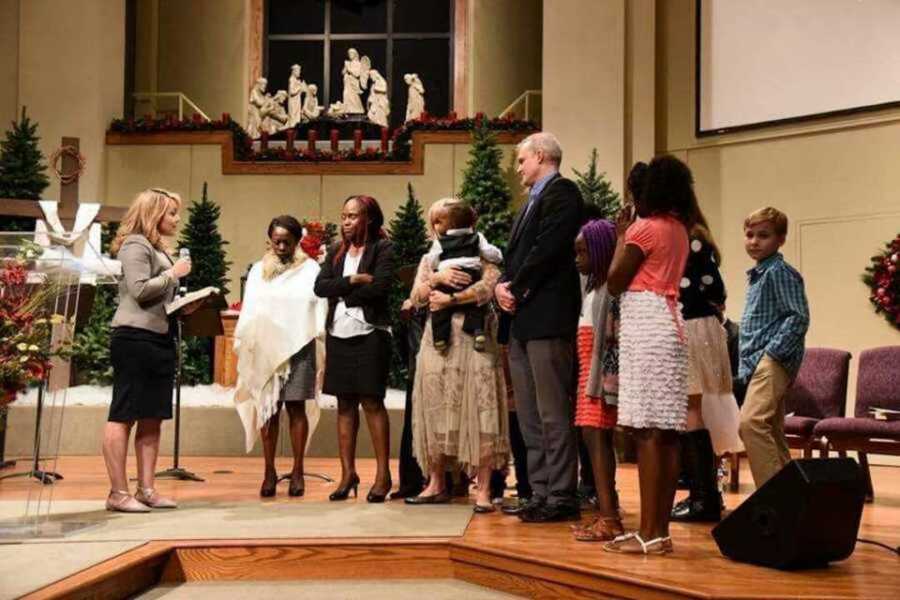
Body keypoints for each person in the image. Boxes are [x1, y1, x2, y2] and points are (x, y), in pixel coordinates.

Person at [603, 157, 693, 555]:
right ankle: (659, 531)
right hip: (669, 323)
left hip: (647, 327)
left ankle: (650, 533)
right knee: (666, 434)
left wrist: (622, 235)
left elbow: (615, 281)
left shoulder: (644, 228)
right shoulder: (679, 229)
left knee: (648, 433)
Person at [496, 132, 584, 523]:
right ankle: (540, 490)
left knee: (552, 412)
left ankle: (562, 494)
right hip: (522, 318)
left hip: (547, 316)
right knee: (529, 413)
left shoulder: (562, 193)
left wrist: (514, 286)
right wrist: (501, 285)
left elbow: (547, 249)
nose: (518, 169)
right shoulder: (530, 201)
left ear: (542, 156)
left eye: (521, 161)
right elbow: (517, 256)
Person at [406, 198, 509, 512]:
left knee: (480, 407)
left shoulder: (481, 251)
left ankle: (483, 489)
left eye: (438, 221)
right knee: (436, 407)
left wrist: (454, 299)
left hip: (473, 339)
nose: (435, 228)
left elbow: (488, 287)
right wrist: (436, 279)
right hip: (438, 342)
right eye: (433, 222)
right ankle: (436, 483)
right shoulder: (431, 258)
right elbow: (416, 297)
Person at [103, 188, 191, 513]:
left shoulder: (156, 248)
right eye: (171, 213)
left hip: (159, 337)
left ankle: (146, 489)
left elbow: (159, 297)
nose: (177, 218)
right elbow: (140, 290)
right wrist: (173, 274)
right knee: (124, 412)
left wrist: (184, 306)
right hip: (134, 338)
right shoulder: (135, 244)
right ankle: (117, 492)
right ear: (153, 215)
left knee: (152, 415)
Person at [233, 216, 327, 498]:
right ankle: (269, 471)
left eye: (288, 241)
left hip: (298, 346)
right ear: (269, 241)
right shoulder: (259, 270)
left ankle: (298, 471)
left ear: (298, 241)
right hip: (265, 346)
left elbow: (318, 304)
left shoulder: (310, 269)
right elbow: (250, 306)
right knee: (268, 410)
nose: (282, 246)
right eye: (277, 242)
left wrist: (315, 332)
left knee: (296, 408)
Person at [314, 195, 394, 502]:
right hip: (339, 333)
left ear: (369, 219)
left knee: (372, 402)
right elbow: (320, 287)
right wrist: (353, 280)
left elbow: (381, 288)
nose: (346, 222)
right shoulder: (336, 251)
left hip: (370, 333)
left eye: (353, 216)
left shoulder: (383, 248)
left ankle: (383, 475)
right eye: (344, 216)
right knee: (344, 404)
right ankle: (347, 474)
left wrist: (344, 291)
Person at [671, 210, 744, 522]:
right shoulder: (695, 235)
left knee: (693, 410)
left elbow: (714, 290)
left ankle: (704, 499)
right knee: (695, 410)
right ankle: (705, 495)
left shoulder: (691, 238)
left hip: (692, 326)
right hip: (698, 324)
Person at [738, 207, 809, 487]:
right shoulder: (758, 274)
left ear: (781, 239)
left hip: (773, 359)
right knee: (772, 430)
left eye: (763, 235)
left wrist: (772, 353)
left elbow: (798, 317)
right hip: (758, 360)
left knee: (752, 423)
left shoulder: (779, 272)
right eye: (750, 234)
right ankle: (793, 495)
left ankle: (774, 500)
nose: (754, 241)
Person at [571, 219, 623, 542]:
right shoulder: (592, 287)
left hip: (598, 378)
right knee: (593, 438)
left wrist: (600, 382)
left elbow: (606, 341)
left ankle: (609, 518)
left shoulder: (608, 290)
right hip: (587, 374)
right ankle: (607, 512)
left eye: (582, 252)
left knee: (597, 437)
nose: (577, 259)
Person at [426, 202, 502, 352]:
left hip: (447, 280)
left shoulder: (439, 242)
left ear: (448, 224)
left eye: (439, 222)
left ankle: (440, 338)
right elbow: (491, 253)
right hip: (471, 276)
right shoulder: (477, 237)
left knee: (439, 309)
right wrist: (498, 256)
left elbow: (432, 260)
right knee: (476, 306)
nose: (436, 226)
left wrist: (437, 272)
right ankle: (477, 331)